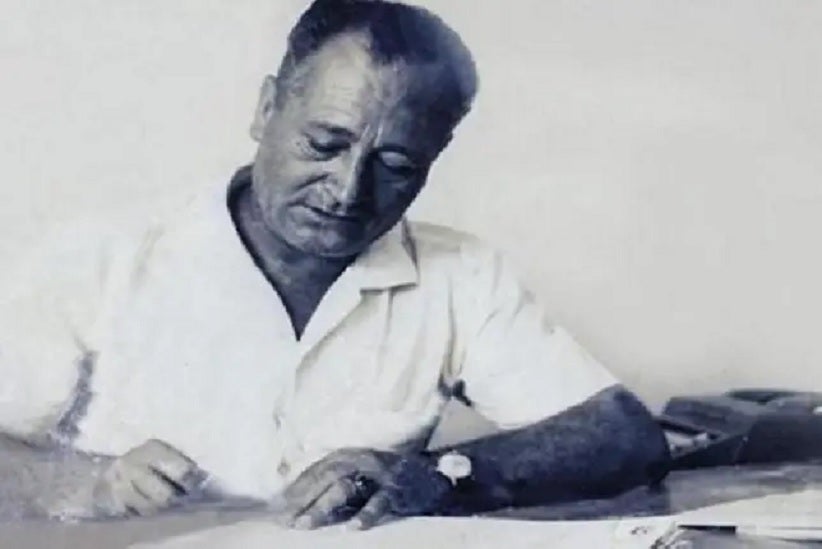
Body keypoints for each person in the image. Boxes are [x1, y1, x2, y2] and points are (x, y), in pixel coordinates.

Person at [0, 0, 670, 530]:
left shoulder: (459, 274)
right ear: (266, 109)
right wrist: (92, 482)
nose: (348, 191)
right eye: (324, 144)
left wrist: (442, 475)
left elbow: (624, 436)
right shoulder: (100, 258)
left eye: (396, 165)